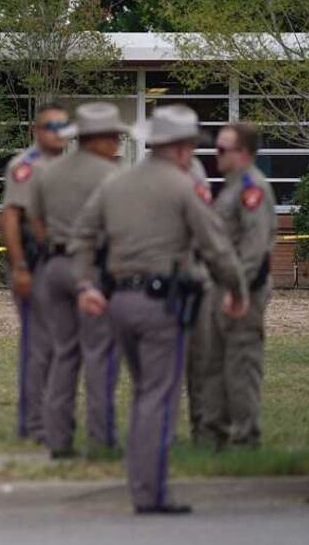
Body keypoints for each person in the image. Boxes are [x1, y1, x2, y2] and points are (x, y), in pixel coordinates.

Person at [71, 105, 248, 515]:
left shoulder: (115, 184)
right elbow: (215, 245)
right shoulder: (182, 186)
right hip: (162, 305)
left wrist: (84, 285)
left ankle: (143, 484)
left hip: (119, 303)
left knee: (144, 393)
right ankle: (150, 494)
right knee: (157, 396)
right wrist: (236, 287)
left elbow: (82, 235)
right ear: (183, 148)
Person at [30, 102, 128, 458]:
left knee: (64, 353)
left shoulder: (47, 172)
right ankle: (101, 440)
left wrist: (55, 247)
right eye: (114, 135)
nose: (117, 141)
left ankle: (58, 439)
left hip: (54, 264)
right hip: (94, 269)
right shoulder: (112, 175)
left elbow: (35, 220)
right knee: (100, 355)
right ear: (98, 139)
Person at [200, 122, 277, 448]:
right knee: (215, 365)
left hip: (242, 292)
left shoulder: (251, 188)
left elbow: (254, 248)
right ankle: (214, 437)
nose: (215, 155)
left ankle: (247, 439)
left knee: (242, 365)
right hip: (222, 288)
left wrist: (238, 289)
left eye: (222, 149)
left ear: (243, 152)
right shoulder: (231, 186)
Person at [0, 103, 69, 442]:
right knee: (39, 347)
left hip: (64, 266)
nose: (58, 133)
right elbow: (12, 218)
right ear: (35, 130)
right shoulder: (25, 166)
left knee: (62, 347)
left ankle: (54, 417)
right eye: (50, 126)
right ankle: (34, 423)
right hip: (36, 264)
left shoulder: (69, 166)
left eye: (63, 126)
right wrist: (21, 267)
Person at [184, 156, 216, 445]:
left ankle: (203, 430)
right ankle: (202, 432)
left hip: (189, 278)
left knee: (200, 362)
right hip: (184, 278)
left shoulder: (193, 168)